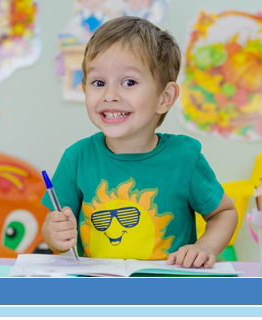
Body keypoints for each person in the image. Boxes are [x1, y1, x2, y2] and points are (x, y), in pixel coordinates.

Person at [41, 16, 237, 268]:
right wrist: (55, 235)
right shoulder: (76, 158)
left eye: (129, 82)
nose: (110, 95)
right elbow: (54, 230)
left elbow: (223, 212)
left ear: (164, 97)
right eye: (98, 82)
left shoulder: (185, 158)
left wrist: (205, 246)